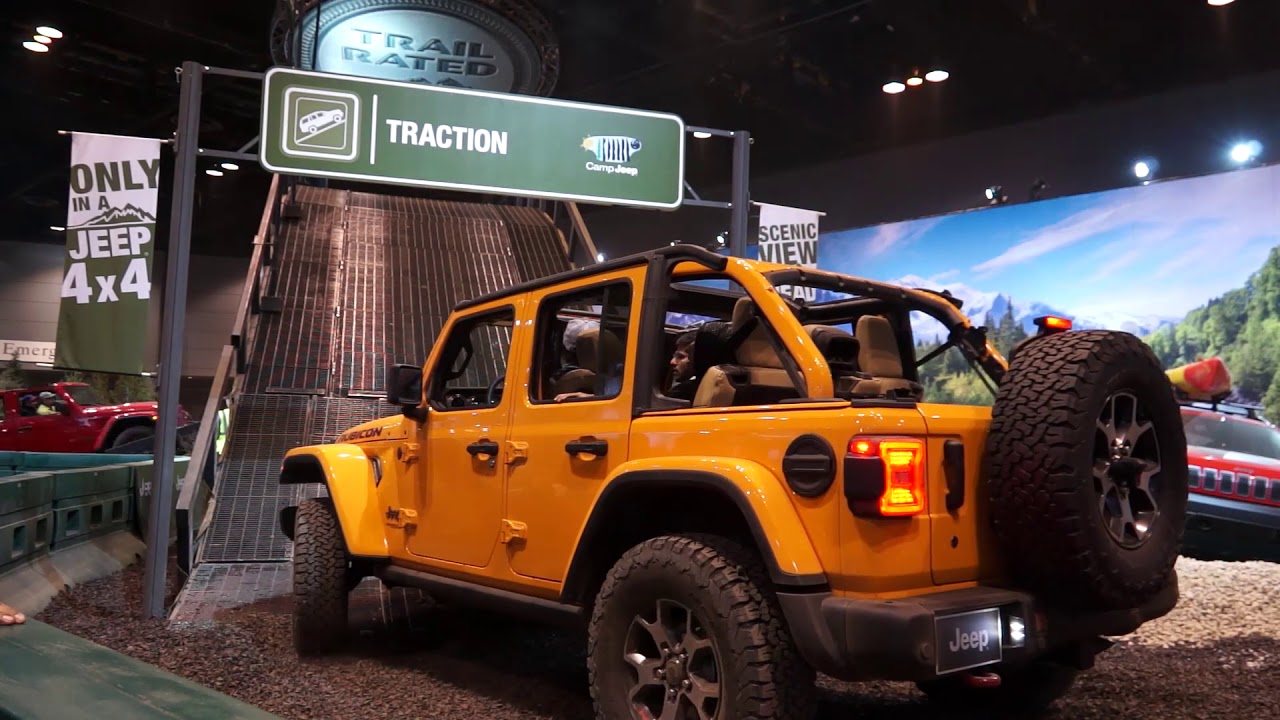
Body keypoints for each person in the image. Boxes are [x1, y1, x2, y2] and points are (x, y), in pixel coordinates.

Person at [666, 331, 698, 400]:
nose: (672, 362)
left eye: (681, 357)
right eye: (674, 356)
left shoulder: (682, 392)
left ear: (696, 360)